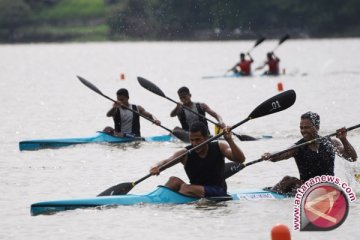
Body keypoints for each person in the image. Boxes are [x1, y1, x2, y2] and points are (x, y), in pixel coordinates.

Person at [262, 111, 357, 194]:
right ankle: (269, 194)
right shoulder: (298, 147)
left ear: (317, 127)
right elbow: (280, 155)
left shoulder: (331, 143)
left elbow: (352, 158)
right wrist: (270, 155)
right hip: (307, 188)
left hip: (328, 187)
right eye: (301, 128)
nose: (303, 131)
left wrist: (343, 139)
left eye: (306, 127)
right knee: (287, 180)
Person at [150, 121, 246, 197]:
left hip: (217, 190)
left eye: (198, 139)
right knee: (173, 181)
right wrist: (155, 166)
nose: (194, 143)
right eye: (192, 140)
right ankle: (158, 201)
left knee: (186, 188)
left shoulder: (220, 146)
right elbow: (166, 161)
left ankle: (177, 202)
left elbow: (240, 159)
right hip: (194, 189)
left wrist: (230, 140)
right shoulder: (185, 153)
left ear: (207, 137)